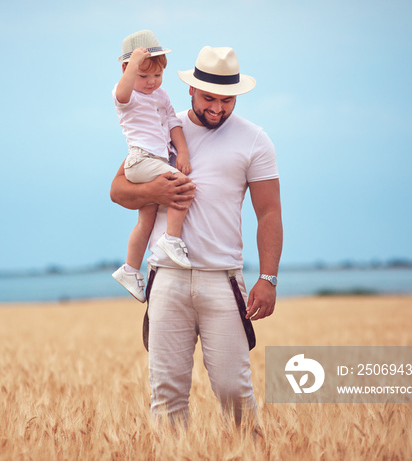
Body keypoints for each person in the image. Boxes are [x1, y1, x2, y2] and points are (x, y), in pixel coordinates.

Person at [110, 46, 283, 428]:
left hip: (223, 280)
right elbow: (118, 190)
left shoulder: (255, 141)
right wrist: (157, 194)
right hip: (166, 278)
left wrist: (268, 277)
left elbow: (269, 212)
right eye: (209, 98)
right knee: (167, 394)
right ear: (190, 90)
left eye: (227, 100)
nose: (217, 108)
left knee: (233, 390)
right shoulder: (159, 124)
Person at [111, 30, 194, 303]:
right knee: (182, 185)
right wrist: (133, 64)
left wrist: (182, 151)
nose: (150, 83)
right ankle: (171, 239)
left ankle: (130, 269)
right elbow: (122, 93)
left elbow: (173, 124)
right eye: (142, 76)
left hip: (156, 160)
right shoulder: (128, 97)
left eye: (157, 76)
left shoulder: (161, 96)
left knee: (145, 220)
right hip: (140, 160)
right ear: (127, 70)